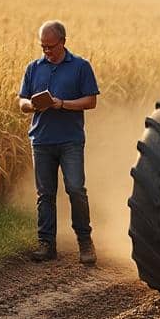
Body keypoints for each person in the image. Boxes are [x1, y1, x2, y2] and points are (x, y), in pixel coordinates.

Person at [17, 20, 100, 264]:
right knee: (45, 194)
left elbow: (91, 101)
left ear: (63, 42)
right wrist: (31, 105)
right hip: (41, 140)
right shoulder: (33, 68)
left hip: (70, 141)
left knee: (75, 189)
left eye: (51, 46)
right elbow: (21, 100)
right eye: (43, 47)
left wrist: (61, 104)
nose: (46, 51)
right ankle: (46, 244)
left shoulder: (81, 67)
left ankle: (85, 242)